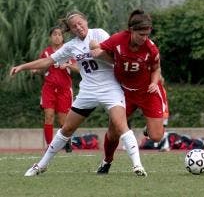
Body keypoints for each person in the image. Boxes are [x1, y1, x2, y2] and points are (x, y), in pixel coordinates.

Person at [10, 11, 147, 177]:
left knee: (120, 125)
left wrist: (98, 51)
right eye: (74, 26)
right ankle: (41, 165)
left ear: (85, 21)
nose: (78, 27)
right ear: (71, 29)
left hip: (110, 88)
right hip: (88, 91)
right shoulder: (71, 45)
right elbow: (48, 61)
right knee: (67, 128)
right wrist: (22, 67)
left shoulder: (99, 33)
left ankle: (137, 166)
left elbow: (115, 57)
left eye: (80, 23)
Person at [90, 9, 165, 174]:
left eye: (147, 34)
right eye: (141, 34)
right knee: (113, 132)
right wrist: (95, 49)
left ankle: (148, 129)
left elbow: (156, 68)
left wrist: (154, 82)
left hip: (147, 92)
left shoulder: (151, 49)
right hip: (123, 92)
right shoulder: (117, 39)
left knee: (157, 137)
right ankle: (107, 161)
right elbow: (98, 49)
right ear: (131, 30)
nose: (144, 38)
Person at [33, 26, 79, 152]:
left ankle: (67, 143)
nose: (57, 36)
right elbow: (41, 69)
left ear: (63, 37)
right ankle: (49, 146)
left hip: (64, 89)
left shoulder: (68, 51)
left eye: (59, 34)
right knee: (49, 116)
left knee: (63, 120)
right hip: (49, 88)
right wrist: (36, 70)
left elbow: (78, 68)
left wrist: (68, 64)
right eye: (54, 34)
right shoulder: (46, 52)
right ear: (50, 37)